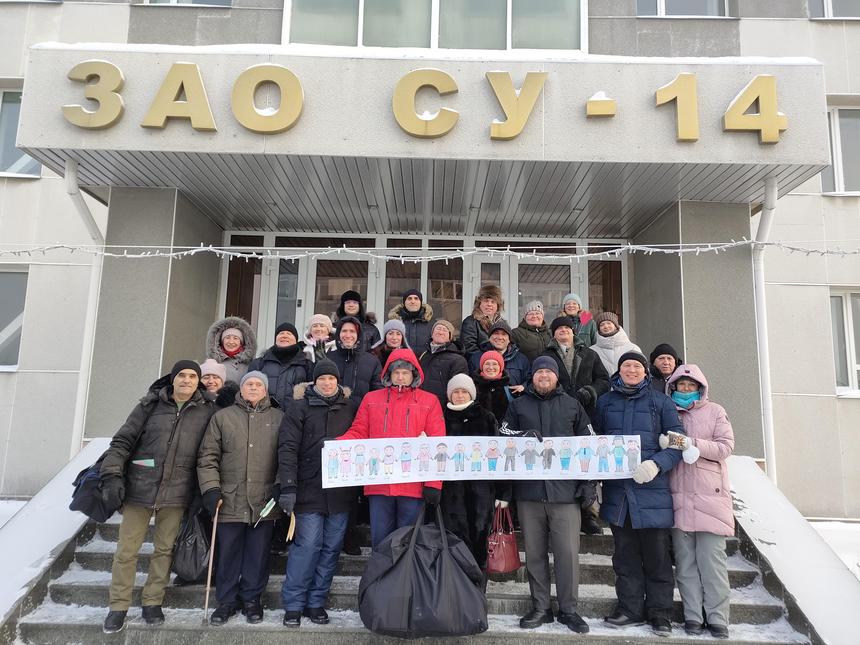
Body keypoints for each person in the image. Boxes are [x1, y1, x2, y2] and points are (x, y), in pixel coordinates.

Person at [100, 361, 216, 634]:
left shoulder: (206, 412)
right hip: (140, 487)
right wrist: (112, 475)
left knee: (164, 549)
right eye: (182, 376)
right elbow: (122, 442)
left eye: (192, 376)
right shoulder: (149, 405)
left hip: (177, 491)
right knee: (127, 551)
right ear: (172, 379)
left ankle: (152, 601)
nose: (187, 380)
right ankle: (118, 606)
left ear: (198, 381)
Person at [497, 356, 593, 634]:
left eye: (547, 373)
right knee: (536, 554)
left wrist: (587, 483)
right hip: (529, 493)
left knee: (567, 554)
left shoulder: (572, 405)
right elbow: (503, 437)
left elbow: (588, 444)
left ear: (556, 377)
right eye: (538, 372)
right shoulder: (518, 405)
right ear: (532, 377)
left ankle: (569, 609)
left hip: (564, 494)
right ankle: (541, 607)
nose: (543, 377)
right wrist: (521, 436)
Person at [592, 351, 685, 637]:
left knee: (657, 558)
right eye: (626, 366)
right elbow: (595, 439)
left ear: (645, 372)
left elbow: (679, 442)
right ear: (618, 371)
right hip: (619, 495)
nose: (631, 370)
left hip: (652, 492)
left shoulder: (661, 402)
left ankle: (660, 614)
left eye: (636, 366)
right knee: (625, 558)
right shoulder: (605, 402)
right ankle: (630, 609)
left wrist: (657, 464)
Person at [197, 371, 284, 626]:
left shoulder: (279, 418)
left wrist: (281, 485)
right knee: (229, 553)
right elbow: (207, 457)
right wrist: (211, 489)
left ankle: (252, 599)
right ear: (241, 390)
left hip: (264, 501)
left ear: (265, 390)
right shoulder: (222, 418)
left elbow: (287, 456)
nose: (254, 388)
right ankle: (226, 601)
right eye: (249, 384)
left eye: (259, 384)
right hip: (228, 498)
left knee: (258, 554)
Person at [278, 360, 360, 628]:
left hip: (340, 491)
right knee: (308, 546)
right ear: (314, 382)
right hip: (308, 489)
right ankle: (293, 603)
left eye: (331, 379)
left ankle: (316, 601)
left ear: (338, 382)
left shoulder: (350, 407)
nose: (327, 383)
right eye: (322, 379)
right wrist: (289, 486)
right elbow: (287, 448)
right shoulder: (298, 407)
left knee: (331, 548)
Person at [338, 349, 445, 548]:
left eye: (405, 372)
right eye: (396, 372)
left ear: (414, 374)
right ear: (389, 374)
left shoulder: (429, 401)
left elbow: (437, 443)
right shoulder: (371, 399)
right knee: (381, 540)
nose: (401, 376)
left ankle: (405, 579)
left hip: (413, 484)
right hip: (379, 482)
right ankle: (381, 577)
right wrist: (337, 444)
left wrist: (434, 483)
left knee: (408, 540)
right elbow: (359, 431)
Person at [665, 364, 735, 639]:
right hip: (678, 496)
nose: (685, 389)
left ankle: (718, 618)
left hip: (710, 498)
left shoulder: (715, 411)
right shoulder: (668, 411)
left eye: (690, 385)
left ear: (699, 387)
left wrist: (693, 444)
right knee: (685, 565)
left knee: (712, 563)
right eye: (680, 385)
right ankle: (693, 616)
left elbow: (725, 446)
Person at [440, 374, 499, 579]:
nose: (459, 395)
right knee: (453, 541)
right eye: (455, 391)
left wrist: (502, 493)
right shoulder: (440, 417)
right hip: (450, 492)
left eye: (464, 391)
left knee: (479, 539)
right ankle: (456, 590)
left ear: (471, 394)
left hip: (480, 492)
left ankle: (477, 590)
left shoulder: (486, 417)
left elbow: (497, 455)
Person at [247, 322, 312, 410]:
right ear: (275, 339)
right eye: (281, 333)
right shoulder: (259, 363)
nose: (284, 336)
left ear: (296, 340)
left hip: (294, 418)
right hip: (264, 417)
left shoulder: (306, 364)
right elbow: (248, 391)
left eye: (289, 333)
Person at [325, 316, 382, 402]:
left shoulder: (372, 362)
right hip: (333, 413)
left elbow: (377, 394)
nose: (348, 335)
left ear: (358, 334)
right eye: (344, 331)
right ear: (338, 334)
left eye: (352, 331)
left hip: (361, 413)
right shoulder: (328, 358)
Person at [419, 320, 468, 408]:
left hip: (441, 408)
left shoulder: (458, 360)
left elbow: (457, 390)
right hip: (420, 406)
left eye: (445, 330)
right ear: (432, 334)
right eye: (438, 329)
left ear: (450, 337)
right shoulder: (423, 355)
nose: (440, 332)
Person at [468, 321, 530, 388]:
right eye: (496, 333)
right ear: (489, 338)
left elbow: (529, 381)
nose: (500, 337)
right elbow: (469, 382)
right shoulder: (476, 358)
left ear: (509, 339)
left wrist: (523, 387)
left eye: (504, 334)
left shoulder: (521, 359)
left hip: (514, 398)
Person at [460, 284, 508, 359]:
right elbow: (469, 349)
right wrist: (489, 360)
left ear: (498, 305)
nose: (489, 304)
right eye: (486, 301)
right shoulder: (470, 322)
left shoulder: (503, 324)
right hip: (479, 366)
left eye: (493, 302)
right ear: (479, 303)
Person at [206, 316, 257, 384]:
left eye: (235, 338)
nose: (231, 342)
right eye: (227, 338)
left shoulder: (251, 364)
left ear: (241, 342)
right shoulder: (213, 363)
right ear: (221, 341)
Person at [387, 288, 434, 353]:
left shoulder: (432, 324)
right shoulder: (394, 323)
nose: (413, 301)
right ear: (404, 303)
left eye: (416, 298)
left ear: (421, 302)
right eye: (409, 298)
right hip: (400, 362)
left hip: (425, 362)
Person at [473, 350, 514, 422]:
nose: (491, 367)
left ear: (500, 367)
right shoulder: (472, 387)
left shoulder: (509, 389)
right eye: (487, 364)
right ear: (482, 366)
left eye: (495, 364)